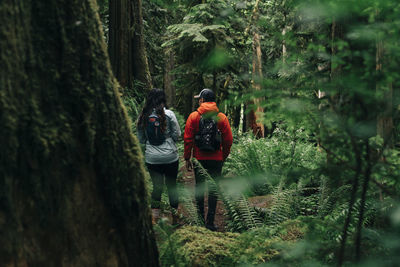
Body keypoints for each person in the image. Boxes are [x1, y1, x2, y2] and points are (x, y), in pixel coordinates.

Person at [184, 88, 233, 231]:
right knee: (213, 189)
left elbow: (187, 139)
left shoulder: (193, 117)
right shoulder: (221, 118)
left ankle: (199, 220)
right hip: (216, 159)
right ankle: (210, 222)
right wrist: (223, 156)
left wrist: (187, 157)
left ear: (201, 100)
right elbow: (228, 140)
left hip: (199, 158)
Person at [137, 88, 181, 224]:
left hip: (152, 158)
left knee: (157, 187)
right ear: (163, 99)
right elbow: (178, 135)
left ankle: (154, 219)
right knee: (172, 186)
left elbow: (141, 140)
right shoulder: (169, 114)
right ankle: (175, 219)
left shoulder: (143, 116)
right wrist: (168, 138)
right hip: (170, 157)